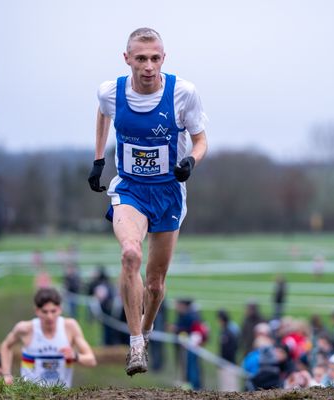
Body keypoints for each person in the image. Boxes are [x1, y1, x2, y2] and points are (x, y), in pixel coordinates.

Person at [88, 27, 208, 376]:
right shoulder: (110, 92)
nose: (148, 66)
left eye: (155, 58)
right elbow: (103, 112)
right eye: (141, 58)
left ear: (163, 59)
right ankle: (136, 344)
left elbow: (201, 141)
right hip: (130, 188)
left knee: (155, 285)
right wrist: (98, 160)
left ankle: (148, 326)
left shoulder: (183, 94)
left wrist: (191, 161)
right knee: (130, 253)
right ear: (127, 59)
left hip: (168, 191)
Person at [0, 288, 97, 387]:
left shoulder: (70, 327)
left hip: (61, 395)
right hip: (31, 395)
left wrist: (75, 356)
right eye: (45, 312)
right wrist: (6, 375)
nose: (50, 316)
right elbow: (6, 346)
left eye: (53, 311)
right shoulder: (25, 329)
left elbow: (91, 360)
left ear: (60, 309)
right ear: (37, 311)